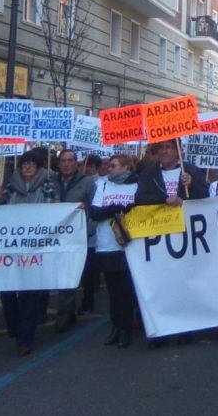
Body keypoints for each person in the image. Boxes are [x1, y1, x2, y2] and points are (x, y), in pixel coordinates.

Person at [0, 151, 57, 355]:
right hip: (11, 249)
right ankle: (15, 328)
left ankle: (25, 339)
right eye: (24, 164)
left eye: (32, 164)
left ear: (38, 167)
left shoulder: (48, 186)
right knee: (8, 295)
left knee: (29, 296)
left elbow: (53, 210)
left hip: (35, 249)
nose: (27, 168)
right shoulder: (10, 187)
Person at [89, 154, 139, 348]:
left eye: (113, 166)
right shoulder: (103, 185)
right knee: (113, 291)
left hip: (129, 245)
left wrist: (121, 209)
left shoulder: (136, 185)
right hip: (106, 245)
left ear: (126, 167)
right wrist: (113, 209)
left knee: (125, 290)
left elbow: (138, 209)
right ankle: (116, 327)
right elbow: (94, 212)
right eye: (108, 166)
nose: (109, 169)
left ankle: (126, 328)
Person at [51, 149, 96, 331]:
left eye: (70, 160)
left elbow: (94, 208)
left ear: (76, 163)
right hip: (54, 236)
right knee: (55, 273)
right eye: (63, 161)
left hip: (77, 236)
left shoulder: (86, 183)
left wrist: (87, 230)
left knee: (69, 275)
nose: (66, 164)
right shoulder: (51, 182)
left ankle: (65, 313)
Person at [135, 139, 209, 204]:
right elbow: (139, 198)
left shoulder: (193, 171)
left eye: (168, 147)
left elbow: (205, 197)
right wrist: (164, 199)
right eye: (161, 147)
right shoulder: (149, 173)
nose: (164, 151)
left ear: (178, 150)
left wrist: (191, 185)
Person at [78, 154, 106, 314]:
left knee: (89, 271)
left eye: (88, 165)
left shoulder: (99, 183)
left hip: (91, 236)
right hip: (76, 234)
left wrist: (89, 229)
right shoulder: (78, 181)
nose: (85, 167)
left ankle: (88, 299)